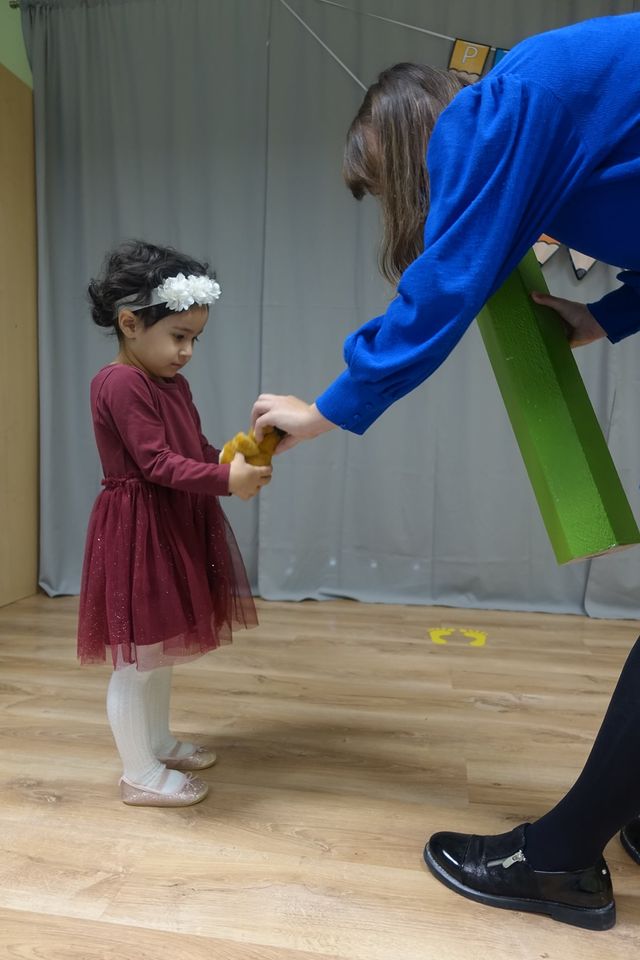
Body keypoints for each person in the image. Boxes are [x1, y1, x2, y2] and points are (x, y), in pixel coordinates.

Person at [251, 14, 640, 930]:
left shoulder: (503, 105)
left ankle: (559, 862)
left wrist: (324, 410)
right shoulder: (546, 102)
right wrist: (608, 317)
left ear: (411, 148)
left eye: (385, 186)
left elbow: (446, 284)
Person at [78, 240, 271, 808]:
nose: (187, 352)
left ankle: (157, 742)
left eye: (195, 340)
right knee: (137, 661)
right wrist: (226, 481)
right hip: (140, 528)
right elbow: (156, 464)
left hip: (168, 522)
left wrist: (231, 459)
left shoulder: (171, 384)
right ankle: (138, 773)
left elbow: (192, 448)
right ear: (130, 323)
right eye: (178, 337)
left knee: (158, 649)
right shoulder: (119, 383)